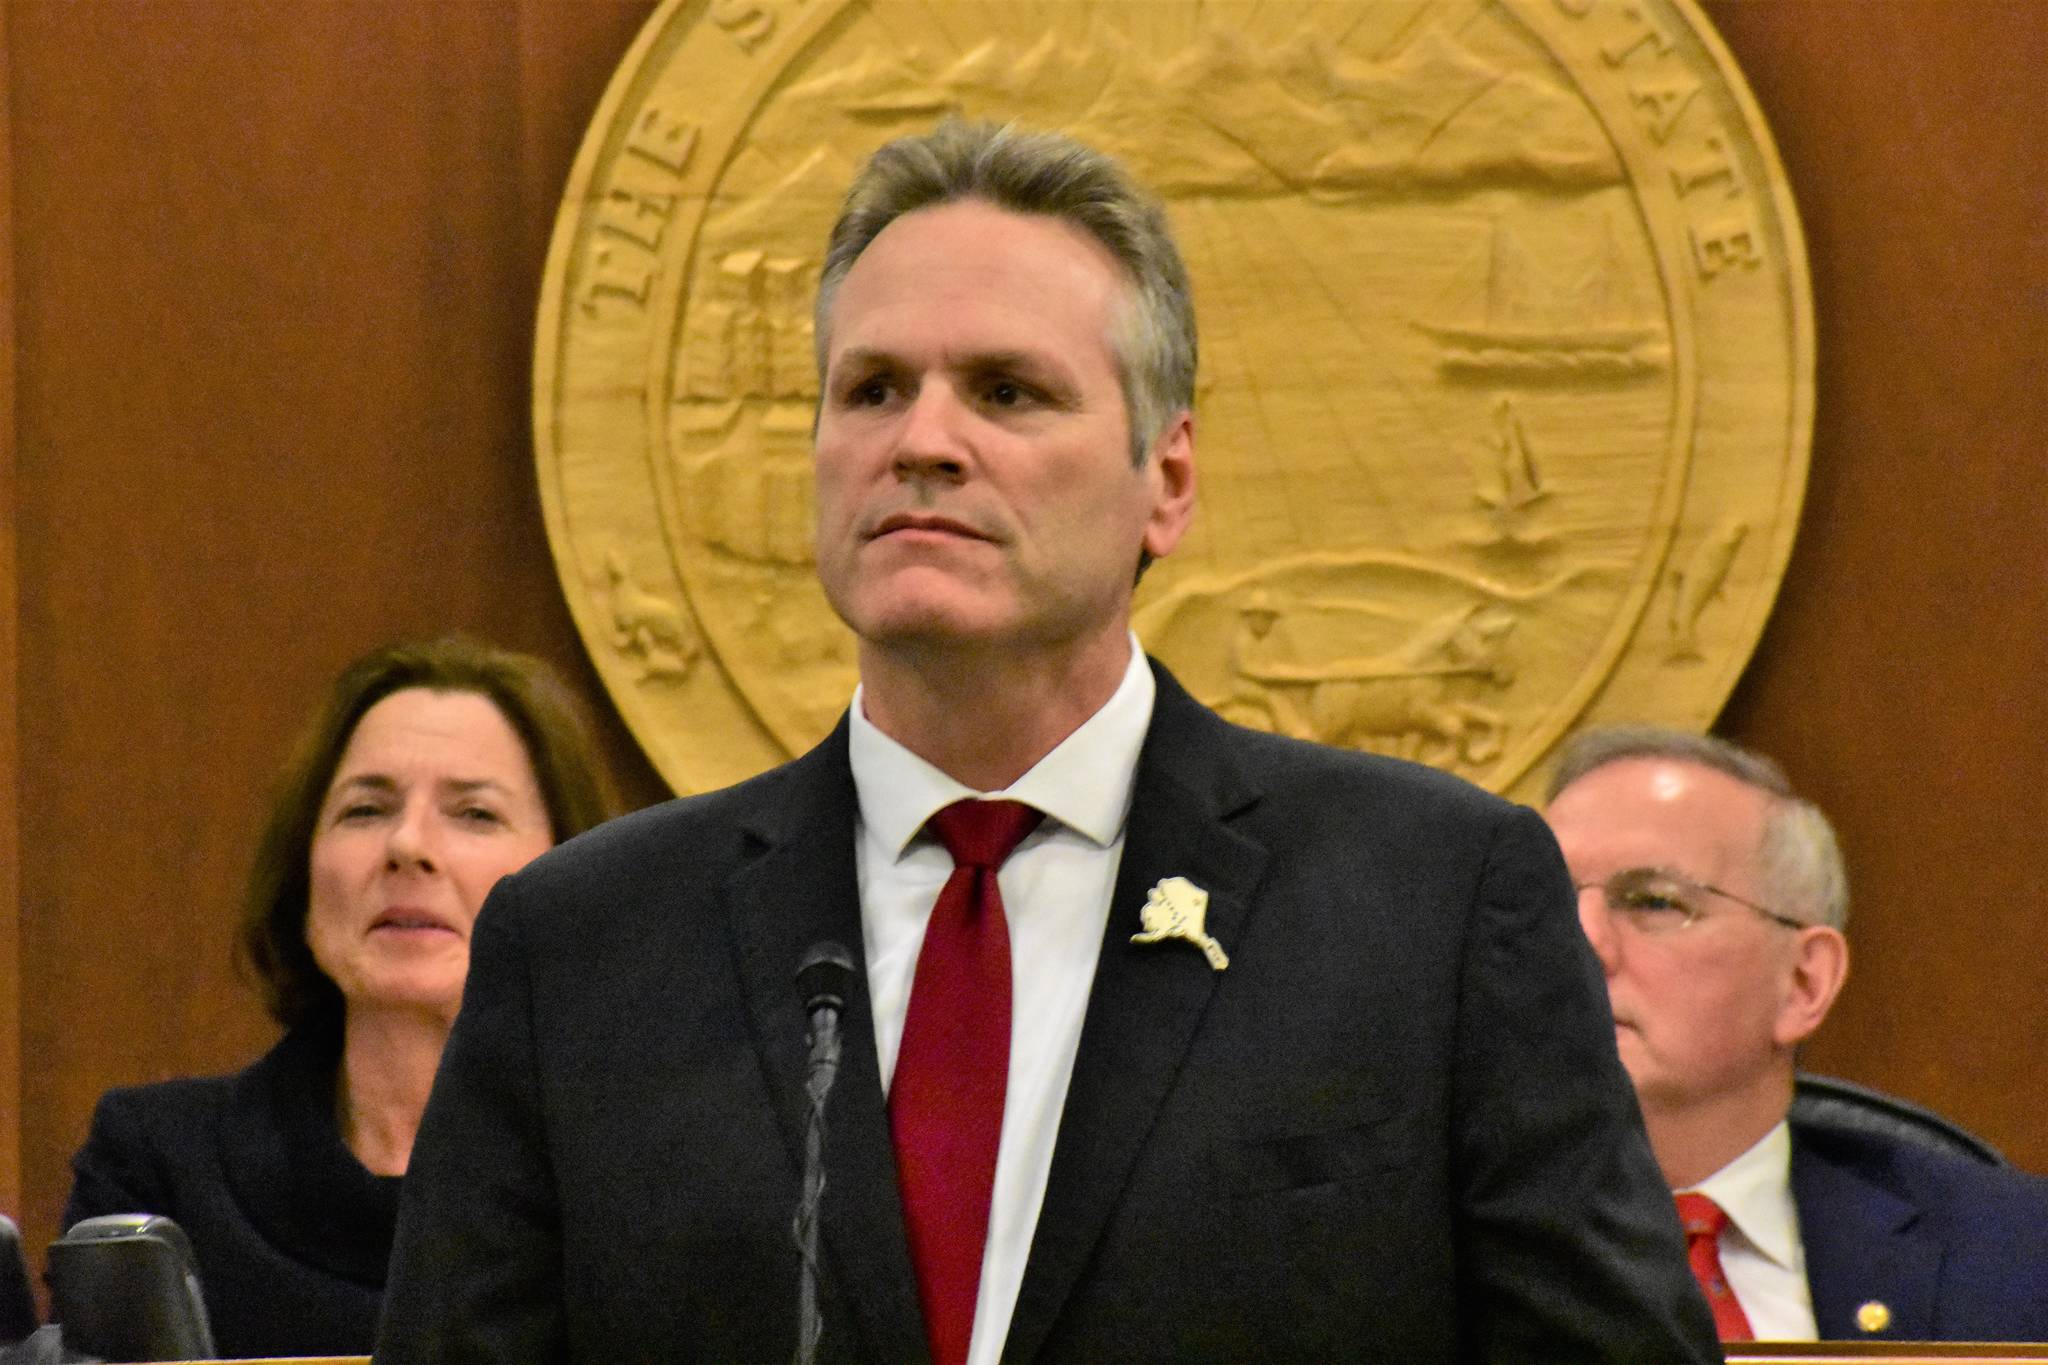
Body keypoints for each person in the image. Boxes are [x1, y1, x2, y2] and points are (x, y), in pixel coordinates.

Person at [378, 120, 1716, 1362]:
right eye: (873, 390)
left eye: (1009, 393)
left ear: (1167, 479)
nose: (925, 442)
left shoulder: (1431, 904)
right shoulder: (584, 948)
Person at [62, 636, 619, 1357]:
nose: (407, 844)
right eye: (365, 809)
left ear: (574, 873)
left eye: (475, 813)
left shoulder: (633, 1179)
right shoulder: (155, 1167)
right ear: (305, 871)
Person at [1545, 726, 2048, 1342]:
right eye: (1543, 903)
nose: (1581, 942)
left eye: (1653, 901)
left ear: (1804, 983)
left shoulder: (2015, 1258)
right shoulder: (1406, 1246)